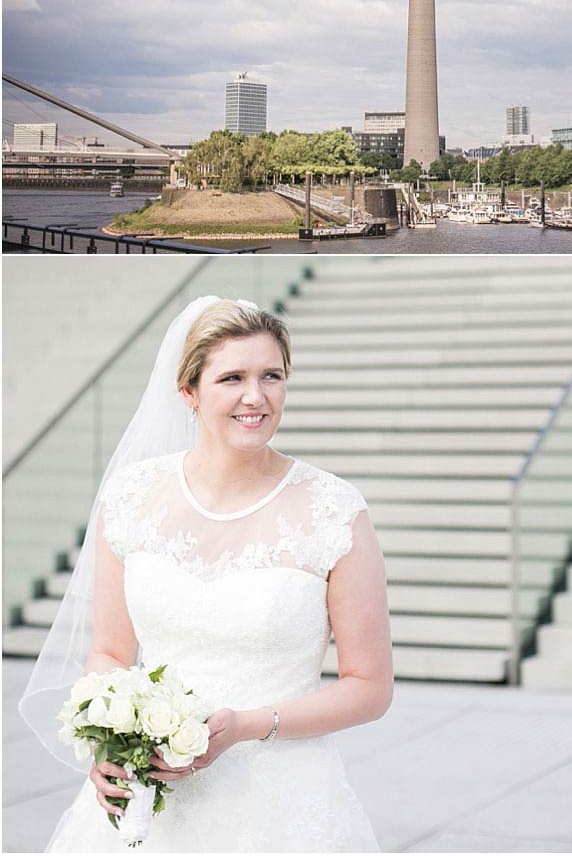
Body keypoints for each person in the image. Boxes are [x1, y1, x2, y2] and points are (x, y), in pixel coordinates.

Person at [21, 296, 392, 852]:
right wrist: (108, 745)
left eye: (272, 376)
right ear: (188, 391)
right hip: (151, 801)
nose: (255, 396)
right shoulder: (130, 498)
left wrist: (245, 725)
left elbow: (370, 687)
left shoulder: (334, 511)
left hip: (282, 804)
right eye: (232, 378)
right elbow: (109, 655)